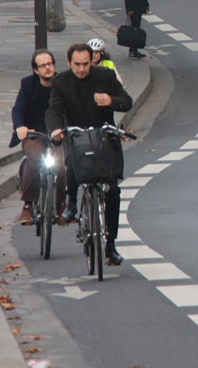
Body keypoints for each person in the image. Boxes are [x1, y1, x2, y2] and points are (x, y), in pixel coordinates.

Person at [46, 42, 133, 266]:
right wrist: (56, 129)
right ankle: (72, 203)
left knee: (113, 190)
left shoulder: (105, 76)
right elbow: (54, 109)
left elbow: (126, 101)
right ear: (69, 63)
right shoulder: (61, 82)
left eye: (86, 64)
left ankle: (111, 245)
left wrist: (112, 101)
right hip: (76, 136)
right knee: (72, 163)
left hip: (103, 137)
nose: (82, 68)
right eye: (77, 64)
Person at [11, 49, 65, 225]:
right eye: (43, 66)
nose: (48, 68)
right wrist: (20, 127)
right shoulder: (28, 84)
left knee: (62, 163)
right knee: (34, 159)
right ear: (36, 70)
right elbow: (18, 109)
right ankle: (28, 204)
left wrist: (64, 129)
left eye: (50, 64)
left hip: (57, 132)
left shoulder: (62, 83)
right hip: (34, 133)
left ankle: (61, 204)